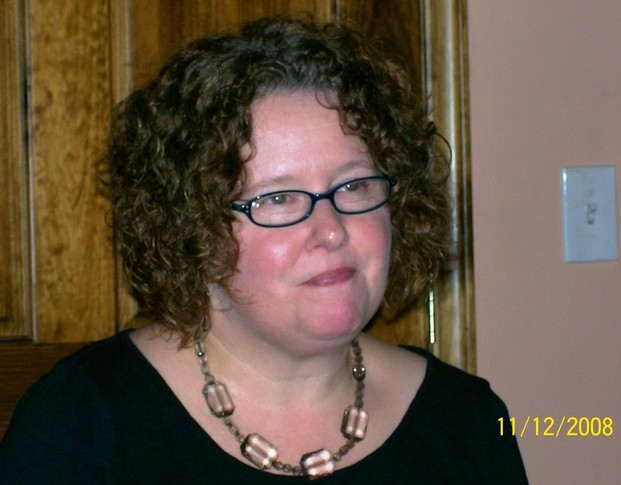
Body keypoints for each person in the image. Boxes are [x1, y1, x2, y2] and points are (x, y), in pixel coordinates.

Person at [0, 16, 527, 484]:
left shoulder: (468, 420)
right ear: (195, 228)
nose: (331, 230)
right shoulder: (79, 424)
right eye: (278, 198)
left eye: (355, 185)